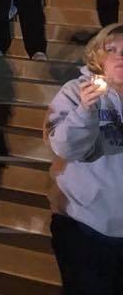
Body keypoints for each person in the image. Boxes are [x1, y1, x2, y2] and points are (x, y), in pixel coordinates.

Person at [45, 24, 123, 294]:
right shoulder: (75, 91)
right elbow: (65, 147)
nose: (119, 57)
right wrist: (85, 111)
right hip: (85, 224)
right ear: (97, 57)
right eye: (111, 50)